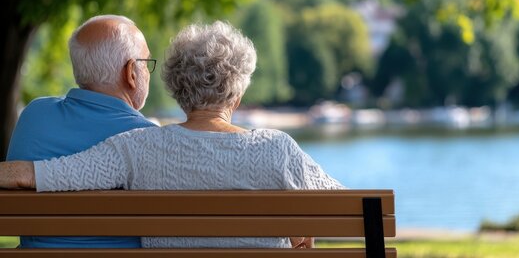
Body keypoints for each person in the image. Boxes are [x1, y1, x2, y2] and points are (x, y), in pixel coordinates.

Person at [1, 21, 343, 249]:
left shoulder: (136, 147)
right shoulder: (278, 149)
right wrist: (299, 222)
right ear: (237, 96)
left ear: (178, 91)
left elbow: (50, 173)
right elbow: (351, 209)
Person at [6, 15, 157, 248]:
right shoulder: (147, 139)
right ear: (131, 73)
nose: (147, 71)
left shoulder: (34, 116)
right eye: (146, 63)